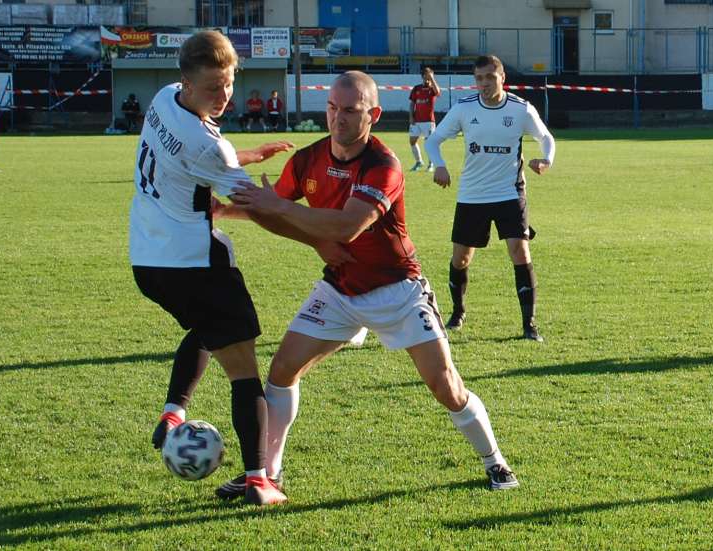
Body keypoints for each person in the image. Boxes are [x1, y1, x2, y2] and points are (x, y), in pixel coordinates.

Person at [211, 70, 519, 500]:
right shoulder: (308, 159)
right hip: (340, 289)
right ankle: (268, 475)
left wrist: (281, 210)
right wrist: (224, 212)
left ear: (372, 114)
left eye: (350, 110)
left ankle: (494, 460)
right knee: (281, 371)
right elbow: (274, 210)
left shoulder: (384, 165)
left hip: (399, 290)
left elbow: (348, 226)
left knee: (445, 386)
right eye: (333, 108)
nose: (338, 118)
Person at [128, 30, 294, 506]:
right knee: (244, 368)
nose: (223, 96)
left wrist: (247, 156)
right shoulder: (209, 146)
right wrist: (321, 234)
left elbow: (192, 160)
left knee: (207, 330)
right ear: (186, 80)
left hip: (148, 258)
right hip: (194, 263)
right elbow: (258, 207)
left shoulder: (163, 100)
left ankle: (174, 411)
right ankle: (259, 479)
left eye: (228, 83)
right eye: (211, 88)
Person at [425, 55, 555, 341]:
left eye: (489, 77)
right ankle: (458, 313)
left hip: (510, 192)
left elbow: (546, 137)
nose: (483, 84)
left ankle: (529, 325)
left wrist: (546, 160)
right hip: (472, 194)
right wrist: (440, 165)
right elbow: (433, 140)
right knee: (461, 258)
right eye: (479, 78)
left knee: (520, 252)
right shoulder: (464, 109)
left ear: (502, 78)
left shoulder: (521, 109)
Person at [407, 67, 440, 172]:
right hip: (416, 121)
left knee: (429, 143)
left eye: (429, 75)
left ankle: (431, 164)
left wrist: (432, 78)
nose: (427, 78)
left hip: (428, 121)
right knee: (412, 141)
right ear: (422, 76)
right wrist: (411, 116)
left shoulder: (432, 89)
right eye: (426, 75)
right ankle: (419, 162)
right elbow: (412, 103)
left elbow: (438, 92)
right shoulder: (416, 88)